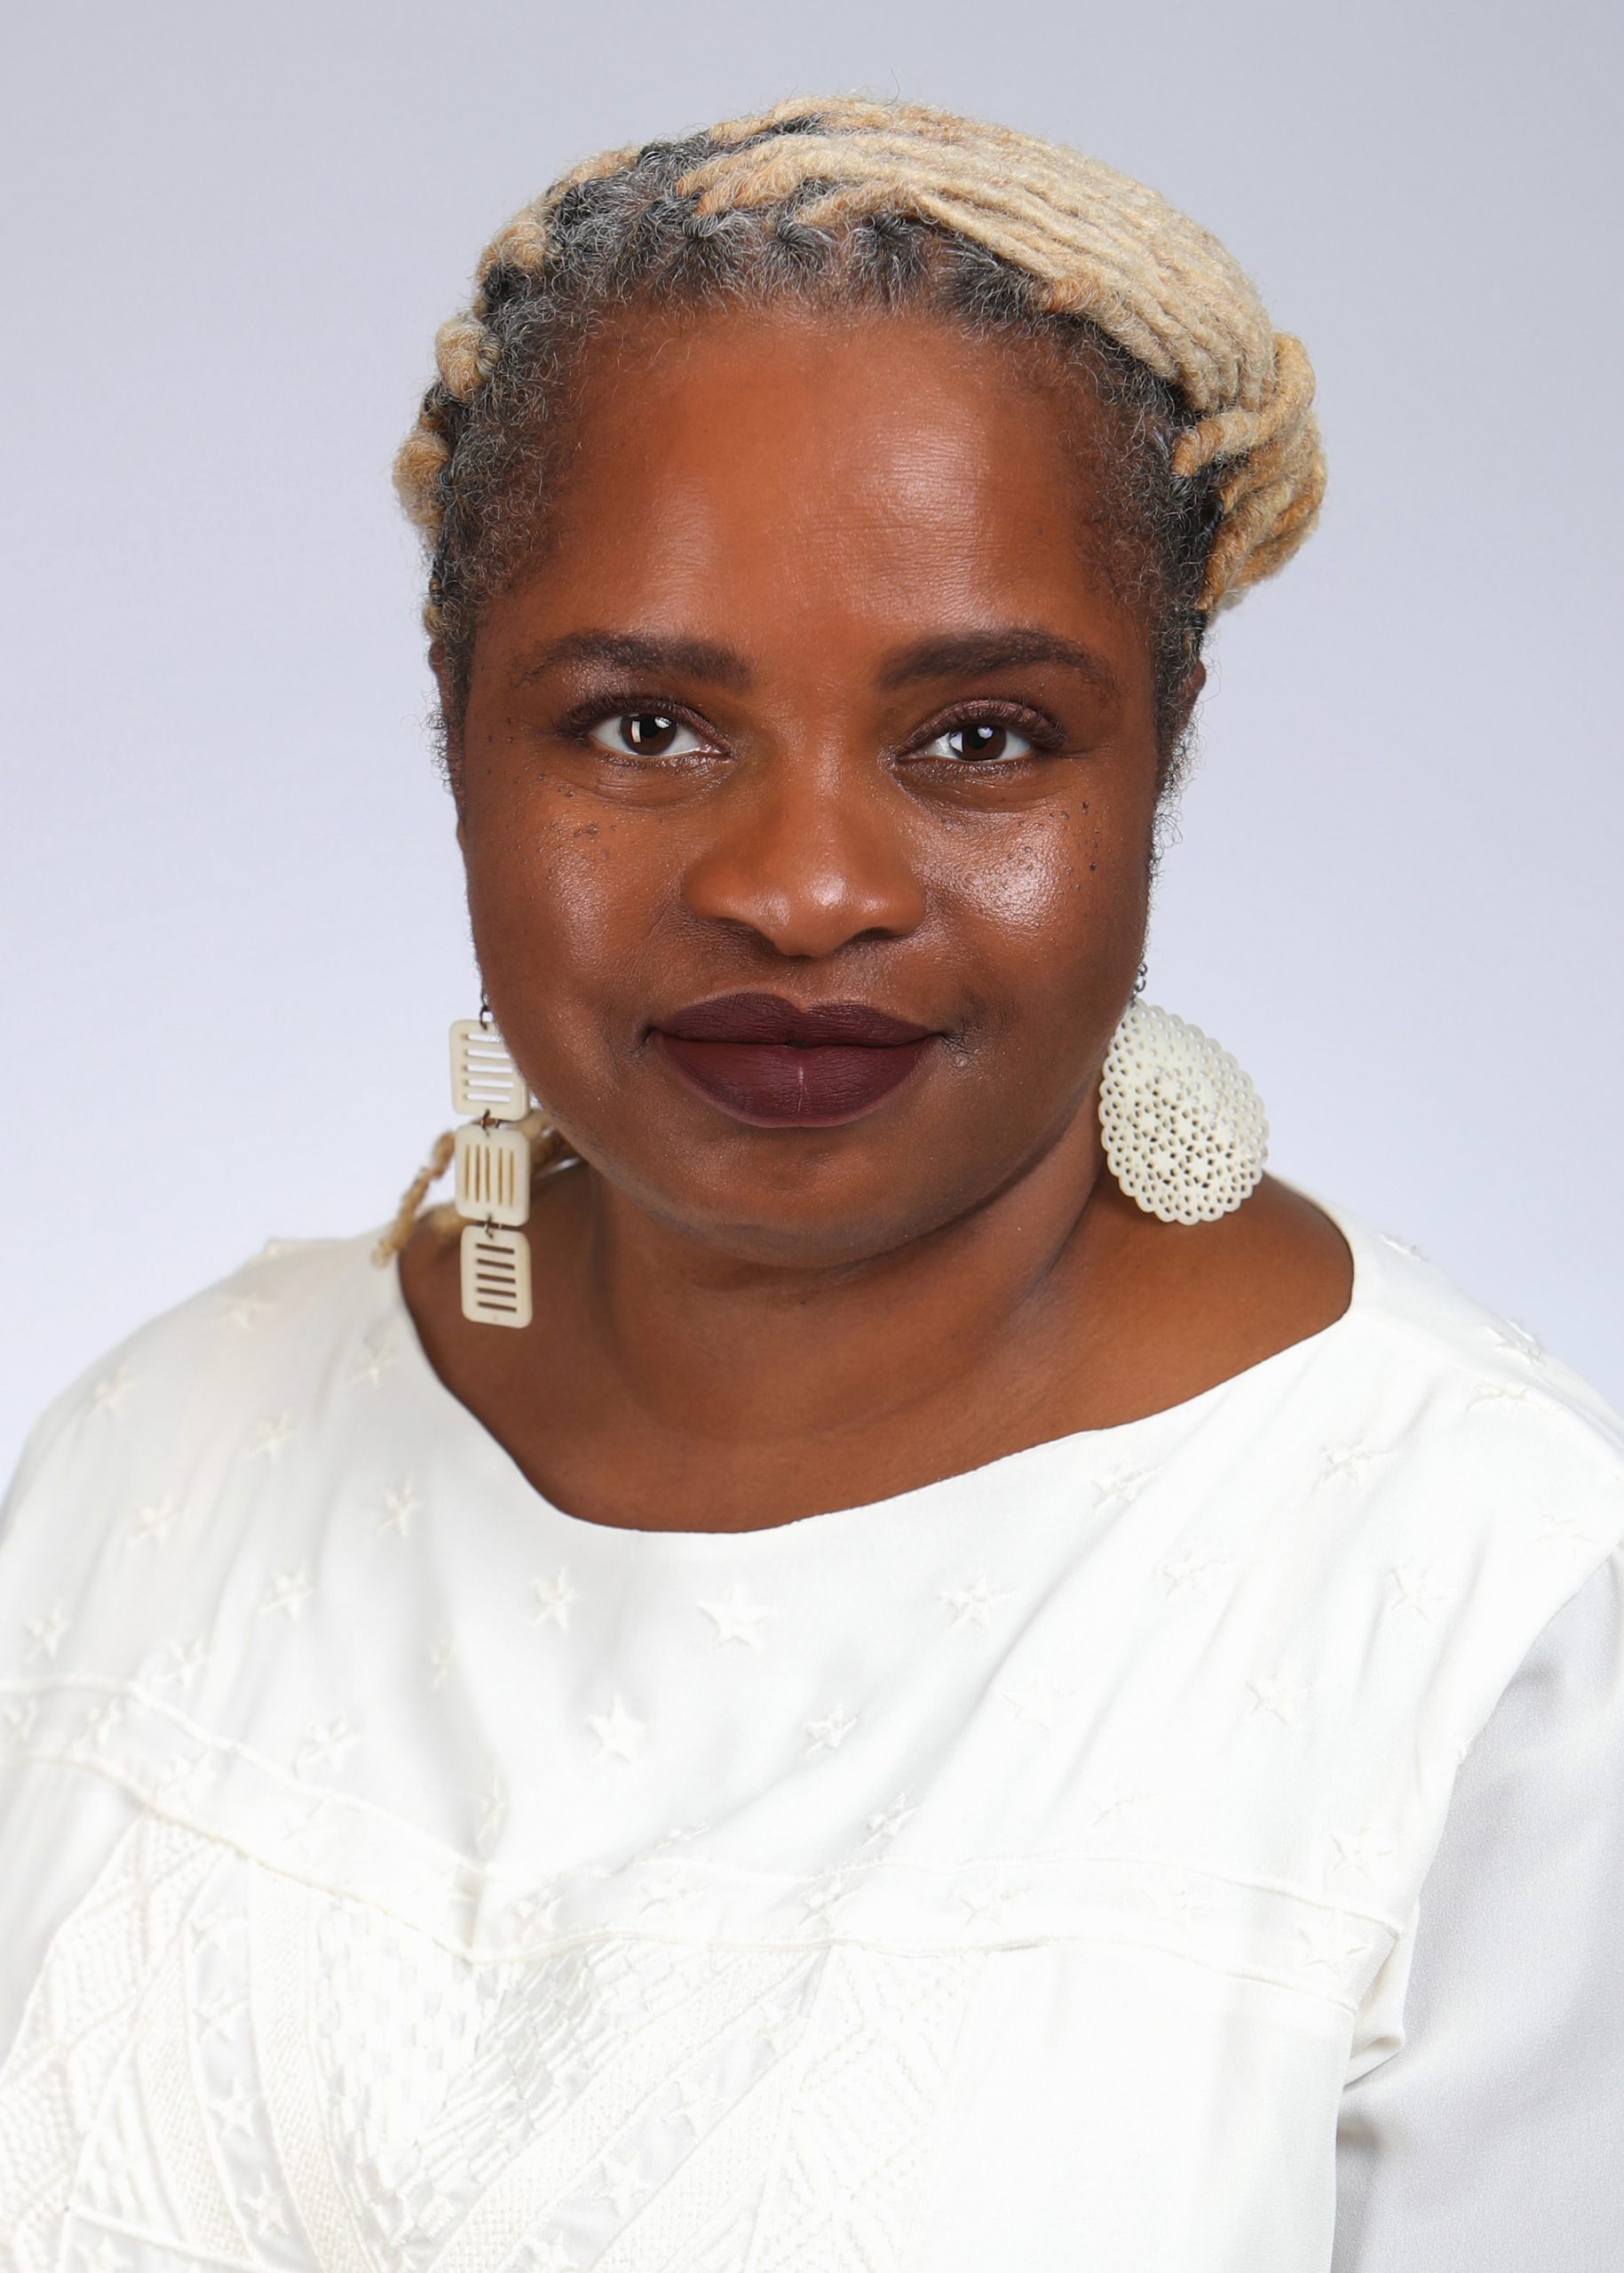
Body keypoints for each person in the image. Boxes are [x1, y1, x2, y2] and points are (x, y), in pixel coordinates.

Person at [0, 94, 1618, 2273]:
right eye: (646, 725)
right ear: (456, 722)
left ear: (1165, 742)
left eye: (981, 736)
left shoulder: (1494, 1611)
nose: (802, 886)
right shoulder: (153, 1459)